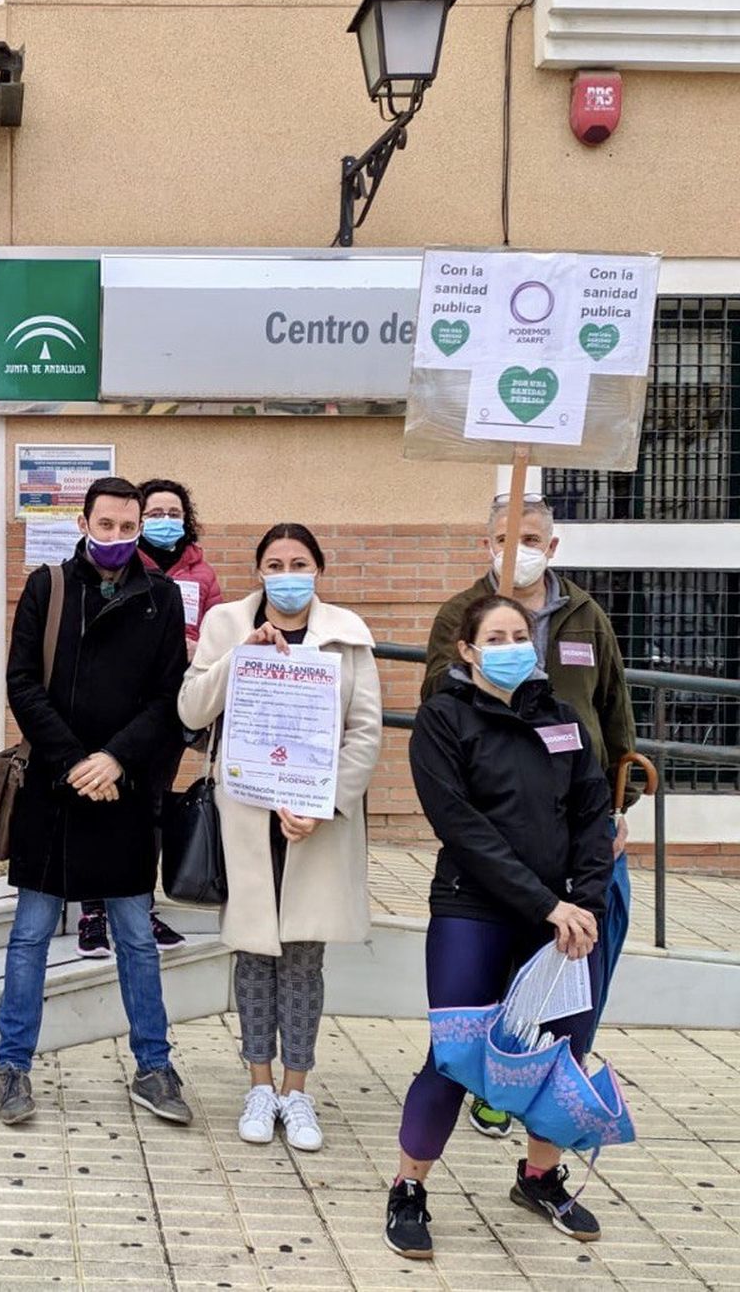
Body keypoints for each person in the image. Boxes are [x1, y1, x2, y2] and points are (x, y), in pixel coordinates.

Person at [386, 594, 614, 1261]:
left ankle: (538, 1179)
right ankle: (408, 1189)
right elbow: (461, 826)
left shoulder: (563, 720)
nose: (513, 644)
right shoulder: (443, 719)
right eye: (497, 636)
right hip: (474, 910)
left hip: (566, 920)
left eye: (522, 634)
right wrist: (546, 904)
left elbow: (590, 818)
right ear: (467, 650)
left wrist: (587, 905)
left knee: (560, 1058)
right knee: (452, 1058)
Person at [422, 491, 637, 1139]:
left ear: (553, 547)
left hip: (582, 818)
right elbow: (437, 696)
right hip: (500, 821)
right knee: (498, 957)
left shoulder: (585, 615)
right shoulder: (460, 615)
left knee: (583, 955)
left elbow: (613, 709)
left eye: (533, 538)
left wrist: (620, 802)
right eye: (506, 537)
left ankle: (551, 1081)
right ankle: (492, 1078)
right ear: (486, 543)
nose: (520, 549)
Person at [0, 477, 192, 1129]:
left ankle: (155, 1067)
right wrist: (77, 760)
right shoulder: (48, 587)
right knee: (29, 936)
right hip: (56, 790)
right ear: (83, 521)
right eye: (104, 525)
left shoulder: (161, 596)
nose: (115, 538)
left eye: (127, 527)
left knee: (136, 937)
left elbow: (170, 698)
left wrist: (115, 760)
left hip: (125, 793)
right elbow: (21, 682)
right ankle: (13, 1066)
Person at [178, 523, 381, 1154]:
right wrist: (243, 659)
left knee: (303, 960)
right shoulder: (224, 627)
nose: (287, 572)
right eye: (275, 562)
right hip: (247, 815)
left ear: (318, 569)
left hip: (311, 823)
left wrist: (323, 805)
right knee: (253, 955)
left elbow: (365, 734)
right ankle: (258, 1085)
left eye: (299, 562)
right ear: (258, 571)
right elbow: (190, 710)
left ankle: (298, 1091)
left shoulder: (348, 634)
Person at [78, 477, 223, 960]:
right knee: (102, 805)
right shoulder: (121, 564)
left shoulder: (202, 575)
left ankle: (141, 904)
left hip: (172, 706)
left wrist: (198, 648)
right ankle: (93, 911)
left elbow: (220, 631)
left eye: (173, 513)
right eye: (155, 513)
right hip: (118, 708)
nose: (165, 522)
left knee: (151, 807)